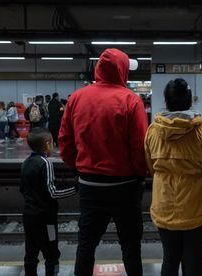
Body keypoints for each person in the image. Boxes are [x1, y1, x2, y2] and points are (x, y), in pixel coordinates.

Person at [59, 48, 147, 276]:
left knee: (86, 245)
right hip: (125, 187)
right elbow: (139, 147)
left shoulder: (77, 98)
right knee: (130, 246)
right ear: (122, 70)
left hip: (90, 186)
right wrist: (140, 174)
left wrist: (78, 168)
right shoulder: (131, 100)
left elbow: (65, 142)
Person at [145, 78, 202, 276]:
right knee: (194, 263)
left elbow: (151, 168)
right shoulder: (201, 131)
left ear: (166, 101)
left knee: (170, 259)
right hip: (196, 212)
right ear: (190, 101)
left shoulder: (153, 131)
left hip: (163, 209)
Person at [21, 128, 76, 276]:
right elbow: (52, 192)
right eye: (52, 143)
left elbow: (23, 189)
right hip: (46, 219)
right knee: (52, 253)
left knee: (31, 253)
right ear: (47, 144)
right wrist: (75, 189)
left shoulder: (26, 163)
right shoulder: (46, 163)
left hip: (29, 215)